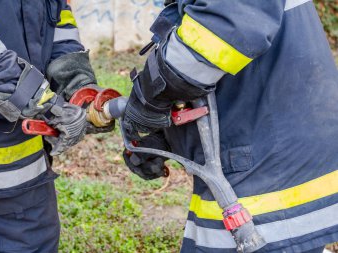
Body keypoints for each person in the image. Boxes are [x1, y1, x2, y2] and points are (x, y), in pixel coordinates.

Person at [122, 0, 338, 252]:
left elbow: (223, 29)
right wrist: (167, 132)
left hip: (269, 179)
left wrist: (150, 95)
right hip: (274, 149)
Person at [0, 0, 109, 252]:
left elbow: (57, 18)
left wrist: (74, 81)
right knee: (23, 242)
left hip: (9, 141)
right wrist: (34, 96)